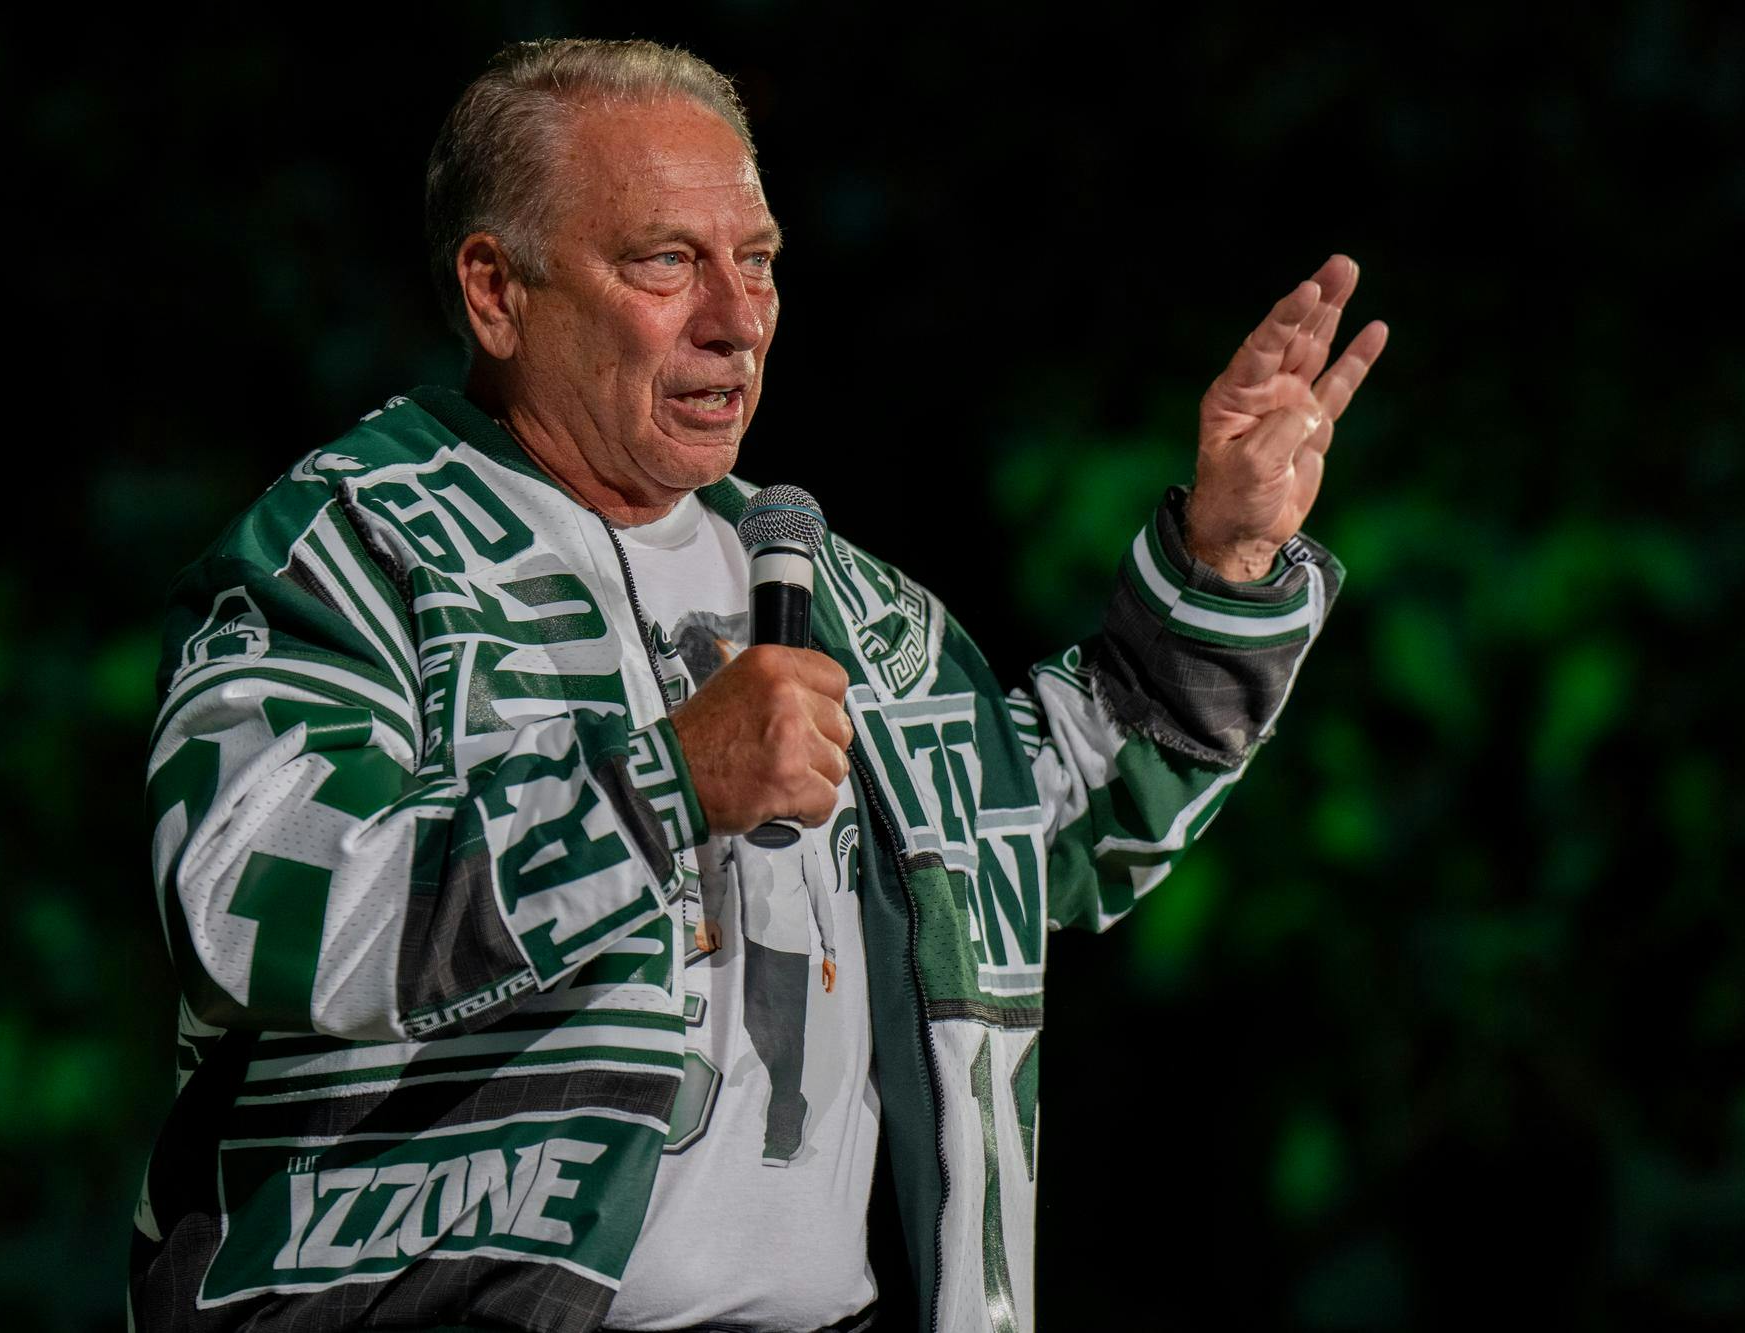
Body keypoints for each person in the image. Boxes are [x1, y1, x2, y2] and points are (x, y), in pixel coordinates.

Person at [129, 37, 1387, 1333]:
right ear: (497, 293)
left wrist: (1226, 562)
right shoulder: (359, 544)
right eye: (666, 261)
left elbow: (1049, 830)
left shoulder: (837, 591)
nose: (735, 317)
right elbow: (248, 903)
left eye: (760, 261)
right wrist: (663, 785)